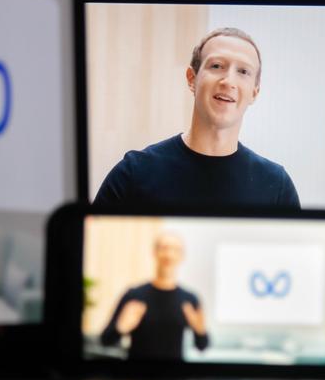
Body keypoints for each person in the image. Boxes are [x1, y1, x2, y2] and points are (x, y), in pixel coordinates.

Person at [93, 27, 300, 208]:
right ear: (192, 79)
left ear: (254, 92)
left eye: (243, 71)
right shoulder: (134, 173)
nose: (228, 81)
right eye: (217, 66)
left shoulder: (276, 186)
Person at [100, 232, 209, 360]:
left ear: (182, 256)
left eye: (175, 249)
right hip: (136, 377)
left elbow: (202, 346)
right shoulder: (134, 295)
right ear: (154, 252)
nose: (169, 254)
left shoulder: (190, 299)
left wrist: (200, 331)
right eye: (164, 248)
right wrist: (120, 328)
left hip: (175, 377)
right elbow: (106, 340)